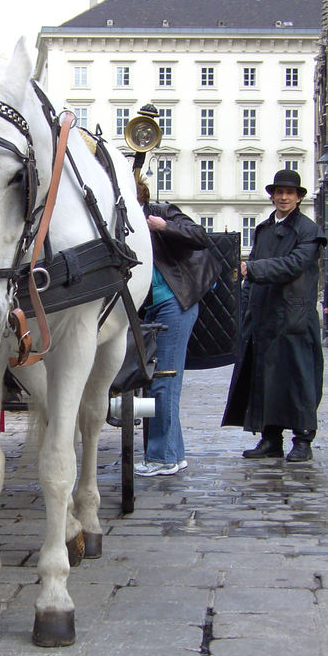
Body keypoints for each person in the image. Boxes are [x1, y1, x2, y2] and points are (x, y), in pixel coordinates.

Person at [222, 169, 326, 463]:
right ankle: (270, 438)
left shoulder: (308, 231)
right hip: (264, 317)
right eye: (278, 192)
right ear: (272, 195)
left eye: (289, 193)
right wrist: (245, 306)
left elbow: (293, 265)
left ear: (298, 197)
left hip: (294, 318)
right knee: (265, 379)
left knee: (298, 379)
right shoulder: (264, 228)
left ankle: (303, 439)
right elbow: (253, 266)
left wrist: (251, 270)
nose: (283, 197)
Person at [133, 171, 222, 476]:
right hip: (154, 309)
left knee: (164, 382)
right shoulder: (124, 225)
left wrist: (164, 226)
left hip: (175, 303)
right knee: (158, 382)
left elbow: (200, 236)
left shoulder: (159, 211)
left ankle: (161, 458)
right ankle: (174, 453)